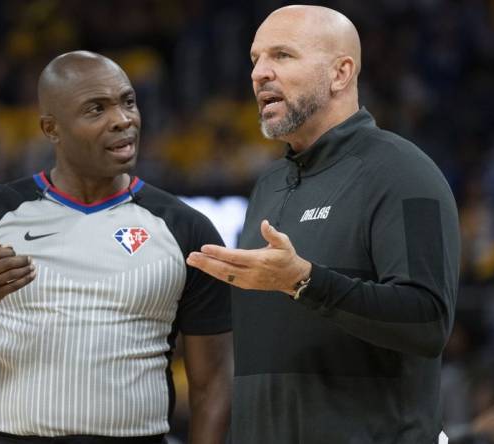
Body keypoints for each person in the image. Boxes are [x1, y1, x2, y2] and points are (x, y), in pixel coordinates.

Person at [0, 51, 232, 444]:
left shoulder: (187, 229)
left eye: (128, 101)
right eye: (96, 109)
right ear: (51, 129)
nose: (123, 120)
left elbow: (212, 388)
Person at [186, 5, 460, 444]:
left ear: (340, 73)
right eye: (255, 60)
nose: (259, 73)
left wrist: (305, 282)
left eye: (282, 55)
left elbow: (428, 322)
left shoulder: (405, 172)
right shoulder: (269, 184)